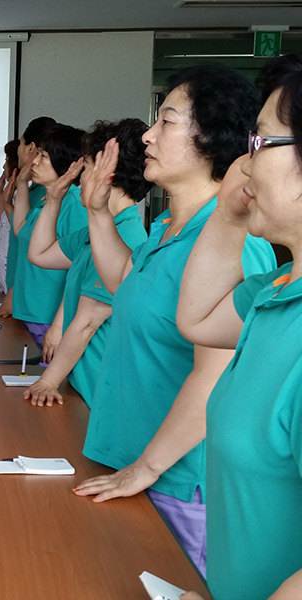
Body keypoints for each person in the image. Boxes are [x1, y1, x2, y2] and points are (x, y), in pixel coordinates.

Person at [72, 64, 276, 575]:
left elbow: (216, 375)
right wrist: (97, 213)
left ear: (211, 137)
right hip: (132, 462)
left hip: (177, 478)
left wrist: (147, 467)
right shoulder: (166, 225)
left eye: (166, 121)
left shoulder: (233, 240)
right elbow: (127, 287)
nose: (147, 135)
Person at [177, 55, 302, 600]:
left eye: (262, 143)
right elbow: (198, 319)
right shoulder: (277, 291)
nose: (244, 165)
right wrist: (229, 216)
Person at [25, 119, 150, 407]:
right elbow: (40, 254)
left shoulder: (126, 238)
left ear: (109, 175)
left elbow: (87, 322)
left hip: (100, 386)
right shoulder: (95, 232)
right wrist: (54, 198)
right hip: (83, 379)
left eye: (88, 168)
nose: (81, 178)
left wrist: (47, 381)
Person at [0, 122, 88, 350]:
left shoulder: (73, 203)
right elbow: (20, 231)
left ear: (65, 162)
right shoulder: (45, 201)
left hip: (49, 315)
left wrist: (59, 325)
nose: (34, 161)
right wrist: (22, 184)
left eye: (43, 156)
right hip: (29, 311)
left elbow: (79, 270)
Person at [0, 117, 57, 321]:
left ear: (31, 148)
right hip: (20, 293)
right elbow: (20, 232)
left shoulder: (55, 199)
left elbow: (31, 245)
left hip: (36, 305)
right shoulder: (33, 191)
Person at [0, 140, 19, 293]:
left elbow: (18, 225)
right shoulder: (12, 192)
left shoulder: (25, 192)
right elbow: (4, 220)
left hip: (11, 263)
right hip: (2, 262)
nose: (3, 167)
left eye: (6, 161)